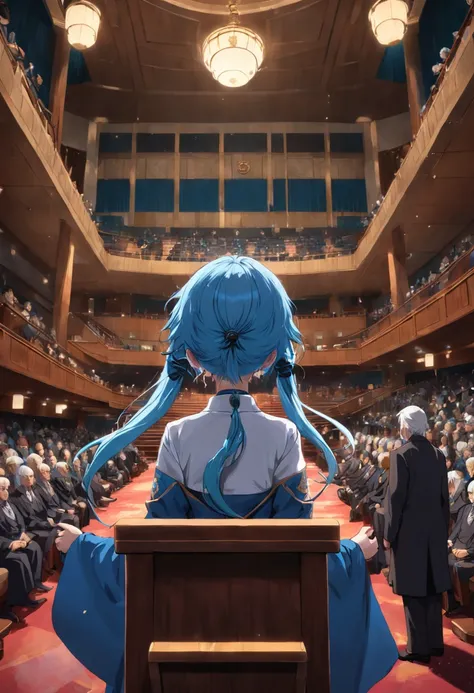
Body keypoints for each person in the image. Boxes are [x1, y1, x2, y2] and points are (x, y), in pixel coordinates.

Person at [53, 256, 397, 693]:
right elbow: (301, 552)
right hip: (272, 620)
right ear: (272, 354)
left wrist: (82, 548)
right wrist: (352, 553)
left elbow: (150, 552)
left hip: (183, 619)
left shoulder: (176, 434)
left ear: (192, 355)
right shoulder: (285, 435)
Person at [384, 405, 451, 664]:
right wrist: (442, 530)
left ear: (406, 427)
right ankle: (435, 644)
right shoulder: (438, 454)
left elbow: (396, 498)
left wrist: (389, 534)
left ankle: (417, 648)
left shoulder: (401, 455)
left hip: (410, 534)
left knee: (413, 593)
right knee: (433, 589)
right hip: (434, 532)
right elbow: (444, 499)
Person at [0, 477, 51, 607]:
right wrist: (10, 544)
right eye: (2, 489)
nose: (6, 492)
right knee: (20, 558)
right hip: (3, 546)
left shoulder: (9, 502)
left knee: (34, 547)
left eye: (7, 489)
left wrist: (22, 533)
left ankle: (36, 583)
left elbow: (21, 520)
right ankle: (21, 597)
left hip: (16, 537)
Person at [446, 479, 474, 612]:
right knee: (443, 560)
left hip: (471, 555)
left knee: (458, 567)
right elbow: (456, 529)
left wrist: (468, 552)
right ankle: (450, 602)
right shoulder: (466, 508)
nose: (472, 496)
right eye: (470, 493)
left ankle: (464, 605)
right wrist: (450, 541)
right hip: (458, 548)